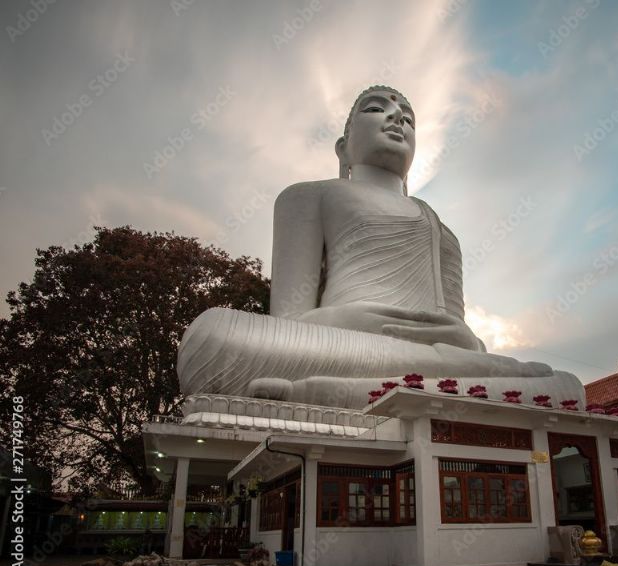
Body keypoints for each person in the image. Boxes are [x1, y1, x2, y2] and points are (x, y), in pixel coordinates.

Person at [178, 86, 581, 405]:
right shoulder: (307, 196)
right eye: (376, 109)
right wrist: (356, 320)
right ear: (343, 145)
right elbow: (289, 320)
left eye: (408, 118)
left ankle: (331, 390)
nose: (396, 119)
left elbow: (466, 338)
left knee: (566, 384)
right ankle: (444, 383)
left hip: (438, 356)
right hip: (345, 345)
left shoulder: (439, 228)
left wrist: (459, 341)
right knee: (211, 338)